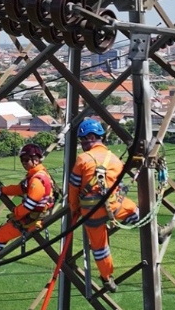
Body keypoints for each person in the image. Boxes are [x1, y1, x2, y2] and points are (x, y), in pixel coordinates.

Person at [68, 119, 139, 292]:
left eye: (84, 140)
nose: (83, 144)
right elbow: (120, 186)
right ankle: (156, 229)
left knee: (100, 248)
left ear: (92, 137)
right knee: (134, 209)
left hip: (90, 213)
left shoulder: (82, 159)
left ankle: (107, 278)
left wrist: (74, 209)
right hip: (112, 207)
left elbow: (73, 189)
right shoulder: (114, 160)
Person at [0, 144, 57, 264]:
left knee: (0, 235)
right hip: (34, 216)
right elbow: (20, 189)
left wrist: (16, 212)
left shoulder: (36, 180)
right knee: (2, 233)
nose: (24, 163)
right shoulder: (38, 174)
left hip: (33, 219)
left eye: (26, 159)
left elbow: (30, 204)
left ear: (36, 159)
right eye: (22, 160)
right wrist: (2, 190)